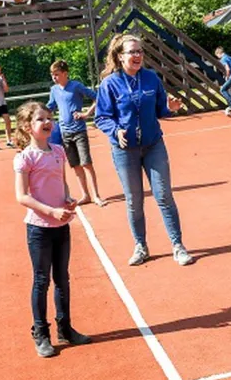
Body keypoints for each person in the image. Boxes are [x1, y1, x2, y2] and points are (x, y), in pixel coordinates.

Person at [95, 34, 193, 267]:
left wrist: (171, 108)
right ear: (120, 57)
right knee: (134, 200)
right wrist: (115, 130)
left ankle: (178, 246)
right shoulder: (110, 83)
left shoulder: (151, 78)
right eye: (132, 52)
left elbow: (161, 110)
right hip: (124, 150)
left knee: (164, 196)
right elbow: (101, 117)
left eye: (140, 51)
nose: (138, 55)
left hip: (153, 145)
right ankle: (141, 246)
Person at [13, 101, 91, 358]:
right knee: (41, 280)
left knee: (63, 279)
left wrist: (67, 200)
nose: (47, 122)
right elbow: (22, 196)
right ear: (27, 127)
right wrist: (51, 211)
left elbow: (62, 184)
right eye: (40, 119)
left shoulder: (58, 151)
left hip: (61, 226)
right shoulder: (25, 158)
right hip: (39, 229)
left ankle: (65, 328)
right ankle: (41, 333)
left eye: (49, 118)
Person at [47, 60, 107, 207]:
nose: (54, 77)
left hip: (79, 131)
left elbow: (97, 97)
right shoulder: (54, 90)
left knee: (86, 163)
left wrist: (86, 113)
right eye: (52, 75)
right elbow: (50, 107)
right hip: (64, 133)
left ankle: (96, 196)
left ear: (65, 73)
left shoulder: (76, 86)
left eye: (57, 74)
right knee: (75, 166)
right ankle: (85, 195)